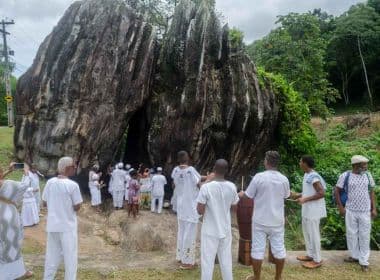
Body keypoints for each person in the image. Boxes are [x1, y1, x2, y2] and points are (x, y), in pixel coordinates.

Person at [239, 151, 290, 280]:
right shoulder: (284, 179)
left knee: (257, 250)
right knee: (279, 249)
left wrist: (241, 194)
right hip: (277, 221)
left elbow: (248, 195)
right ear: (277, 163)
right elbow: (286, 196)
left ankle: (257, 277)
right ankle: (278, 277)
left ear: (266, 162)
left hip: (260, 220)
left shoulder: (259, 177)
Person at [197, 159, 239, 280]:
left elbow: (199, 210)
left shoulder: (206, 188)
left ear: (214, 169)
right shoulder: (232, 187)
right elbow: (235, 207)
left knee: (207, 263)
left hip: (209, 230)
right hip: (225, 230)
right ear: (226, 170)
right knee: (226, 261)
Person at [42, 156, 83, 280]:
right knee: (70, 257)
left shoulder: (50, 182)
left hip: (53, 226)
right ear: (67, 168)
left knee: (51, 256)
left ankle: (47, 278)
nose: (75, 167)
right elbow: (77, 206)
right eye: (73, 165)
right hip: (67, 227)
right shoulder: (73, 185)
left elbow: (44, 202)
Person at [335, 155, 377, 272]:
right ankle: (355, 256)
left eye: (365, 164)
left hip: (365, 211)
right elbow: (337, 191)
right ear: (355, 165)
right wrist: (341, 207)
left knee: (364, 235)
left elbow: (372, 192)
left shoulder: (368, 175)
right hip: (350, 210)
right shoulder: (345, 176)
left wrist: (374, 208)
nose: (366, 166)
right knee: (351, 234)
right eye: (363, 164)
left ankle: (364, 261)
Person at [0, 163, 34, 279]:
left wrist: (8, 171)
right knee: (13, 246)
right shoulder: (10, 184)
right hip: (8, 219)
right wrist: (25, 171)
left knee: (2, 247)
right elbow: (25, 185)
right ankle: (17, 272)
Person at [293, 155, 326, 269]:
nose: (299, 163)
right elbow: (309, 191)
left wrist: (305, 199)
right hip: (307, 210)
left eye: (300, 161)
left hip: (313, 211)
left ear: (305, 163)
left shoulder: (313, 176)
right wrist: (299, 195)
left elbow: (321, 193)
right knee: (307, 233)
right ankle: (310, 255)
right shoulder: (307, 174)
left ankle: (317, 260)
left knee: (313, 234)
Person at [172, 151, 202, 270]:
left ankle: (180, 256)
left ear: (178, 159)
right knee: (189, 234)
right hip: (191, 207)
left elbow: (175, 184)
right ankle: (188, 262)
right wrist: (209, 180)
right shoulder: (191, 170)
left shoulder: (175, 170)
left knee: (182, 232)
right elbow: (199, 183)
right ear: (188, 158)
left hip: (181, 207)